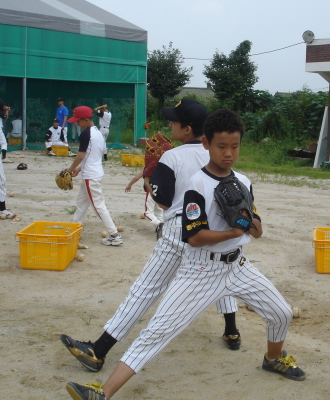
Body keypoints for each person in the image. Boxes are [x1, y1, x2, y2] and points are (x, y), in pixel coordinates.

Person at [64, 108, 305, 400]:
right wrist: (232, 231)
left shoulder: (242, 181)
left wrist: (246, 221)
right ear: (206, 144)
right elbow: (195, 238)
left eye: (235, 146)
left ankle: (273, 359)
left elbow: (257, 229)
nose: (228, 153)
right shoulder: (197, 184)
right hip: (201, 270)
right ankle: (102, 393)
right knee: (157, 331)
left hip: (238, 266)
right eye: (221, 146)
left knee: (280, 312)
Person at [59, 99, 242, 382]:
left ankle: (99, 349)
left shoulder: (173, 155)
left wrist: (152, 178)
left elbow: (163, 199)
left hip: (180, 231)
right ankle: (231, 329)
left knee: (146, 290)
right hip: (215, 231)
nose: (169, 125)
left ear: (187, 128)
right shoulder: (219, 153)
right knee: (223, 275)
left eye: (174, 122)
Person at [65, 106, 121, 246]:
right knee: (81, 205)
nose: (77, 124)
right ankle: (74, 231)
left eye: (78, 121)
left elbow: (81, 155)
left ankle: (114, 235)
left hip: (91, 176)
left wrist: (70, 169)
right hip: (92, 173)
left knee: (98, 206)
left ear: (85, 120)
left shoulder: (86, 134)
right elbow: (93, 156)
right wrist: (78, 169)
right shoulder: (98, 133)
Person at [124, 168, 164, 239]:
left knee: (147, 213)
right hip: (160, 190)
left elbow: (137, 177)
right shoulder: (162, 165)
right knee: (159, 211)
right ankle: (162, 229)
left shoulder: (149, 166)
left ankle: (159, 224)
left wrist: (129, 184)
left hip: (151, 191)